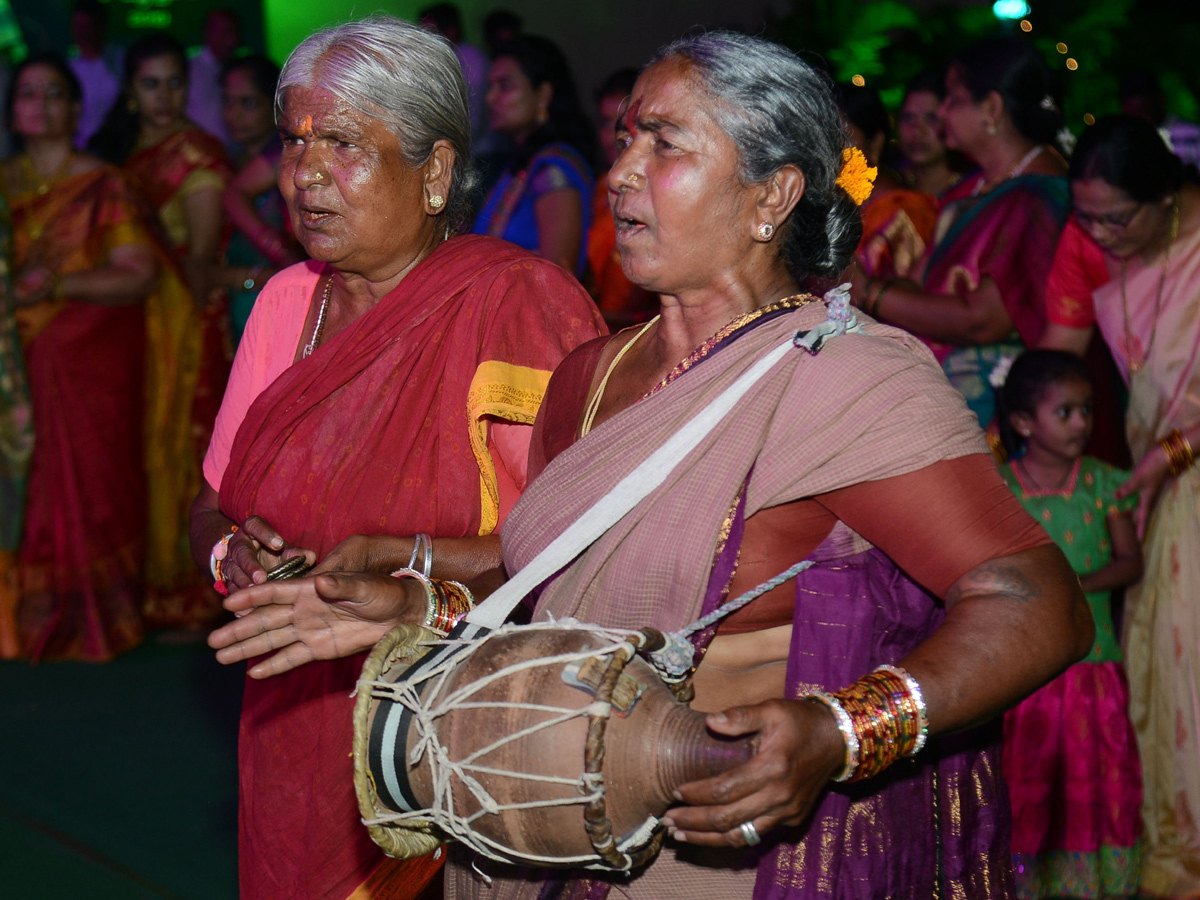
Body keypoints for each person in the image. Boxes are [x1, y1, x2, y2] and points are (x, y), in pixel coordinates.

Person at [210, 31, 1092, 899]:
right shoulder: (588, 377)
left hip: (720, 855)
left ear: (772, 194)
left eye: (666, 144)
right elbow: (554, 591)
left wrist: (840, 729)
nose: (622, 171)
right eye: (625, 138)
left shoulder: (845, 378)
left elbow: (1033, 601)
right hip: (541, 835)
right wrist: (415, 595)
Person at [188, 17, 604, 900]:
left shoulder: (515, 305)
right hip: (294, 724)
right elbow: (211, 504)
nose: (303, 174)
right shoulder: (285, 307)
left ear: (438, 173)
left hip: (463, 730)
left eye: (342, 143)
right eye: (294, 142)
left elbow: (580, 554)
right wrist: (234, 555)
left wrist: (413, 587)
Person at [1067, 113, 1200, 898]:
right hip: (1162, 487)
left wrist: (1169, 457)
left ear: (1165, 200)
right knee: (1156, 663)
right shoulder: (1131, 261)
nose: (1100, 235)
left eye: (1116, 218)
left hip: (1184, 482)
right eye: (1084, 219)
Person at [0, 54, 161, 660]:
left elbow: (138, 274)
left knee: (84, 486)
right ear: (13, 111)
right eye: (26, 94)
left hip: (80, 365)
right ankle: (16, 622)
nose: (39, 104)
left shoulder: (103, 185)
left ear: (74, 109)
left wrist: (56, 288)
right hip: (11, 369)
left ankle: (90, 619)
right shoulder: (3, 183)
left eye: (53, 94)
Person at [853, 36, 1069, 430]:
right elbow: (916, 284)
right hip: (943, 387)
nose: (943, 113)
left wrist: (867, 291)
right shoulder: (970, 190)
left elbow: (984, 319)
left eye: (952, 99)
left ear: (991, 108)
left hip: (1002, 413)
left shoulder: (1041, 194)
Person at [91, 32, 234, 625]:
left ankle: (185, 593)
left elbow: (199, 259)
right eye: (151, 84)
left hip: (181, 322)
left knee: (178, 443)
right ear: (129, 91)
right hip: (121, 322)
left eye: (175, 82)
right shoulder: (114, 154)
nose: (165, 96)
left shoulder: (196, 152)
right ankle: (133, 583)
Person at [996, 349, 1144, 899]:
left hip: (1094, 666)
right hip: (1026, 673)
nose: (1082, 423)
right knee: (1027, 784)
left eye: (1087, 410)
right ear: (1022, 422)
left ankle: (1093, 885)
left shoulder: (1103, 482)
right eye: (1066, 412)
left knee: (1095, 782)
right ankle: (1023, 883)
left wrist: (1072, 584)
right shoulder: (1001, 489)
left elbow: (1132, 562)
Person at [473, 35, 596, 277]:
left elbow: (557, 275)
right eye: (491, 86)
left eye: (505, 85)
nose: (490, 98)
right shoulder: (520, 165)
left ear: (543, 95)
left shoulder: (553, 171)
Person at [216, 54, 301, 346]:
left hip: (286, 300)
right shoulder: (223, 160)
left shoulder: (289, 154)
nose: (233, 114)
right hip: (239, 305)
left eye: (248, 103)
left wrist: (282, 258)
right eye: (228, 101)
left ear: (273, 106)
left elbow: (234, 198)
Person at [837, 82, 938, 282]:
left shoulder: (903, 212)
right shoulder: (842, 207)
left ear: (875, 142)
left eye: (843, 138)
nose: (829, 150)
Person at [586, 66, 654, 329]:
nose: (612, 138)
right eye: (605, 124)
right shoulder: (602, 185)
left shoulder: (659, 194)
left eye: (630, 129)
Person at [895, 67, 964, 197]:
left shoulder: (971, 191)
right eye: (909, 117)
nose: (917, 131)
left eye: (932, 118)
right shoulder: (892, 189)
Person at [1120, 70, 1200, 171]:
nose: (1143, 121)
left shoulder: (1193, 136)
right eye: (1136, 116)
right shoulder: (1122, 142)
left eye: (1146, 111)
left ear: (1160, 100)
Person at [66, 0, 120, 149]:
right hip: (78, 148)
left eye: (87, 27)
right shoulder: (68, 69)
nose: (81, 33)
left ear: (100, 27)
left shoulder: (120, 62)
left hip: (118, 146)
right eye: (77, 27)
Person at [187, 7, 241, 147]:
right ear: (208, 33)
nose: (232, 41)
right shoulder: (188, 70)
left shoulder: (239, 71)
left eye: (234, 33)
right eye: (225, 33)